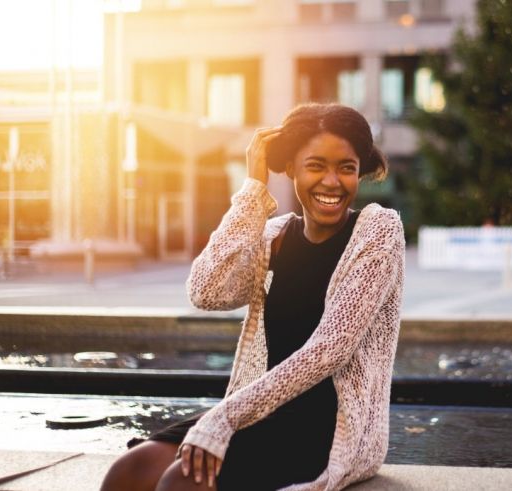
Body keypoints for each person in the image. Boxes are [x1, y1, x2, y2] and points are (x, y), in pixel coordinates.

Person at [101, 103, 405, 491]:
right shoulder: (274, 238)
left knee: (181, 483)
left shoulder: (377, 231)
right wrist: (253, 189)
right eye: (315, 166)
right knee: (128, 472)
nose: (332, 181)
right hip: (261, 412)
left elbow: (330, 349)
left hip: (328, 429)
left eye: (346, 168)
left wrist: (224, 418)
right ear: (291, 168)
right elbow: (206, 291)